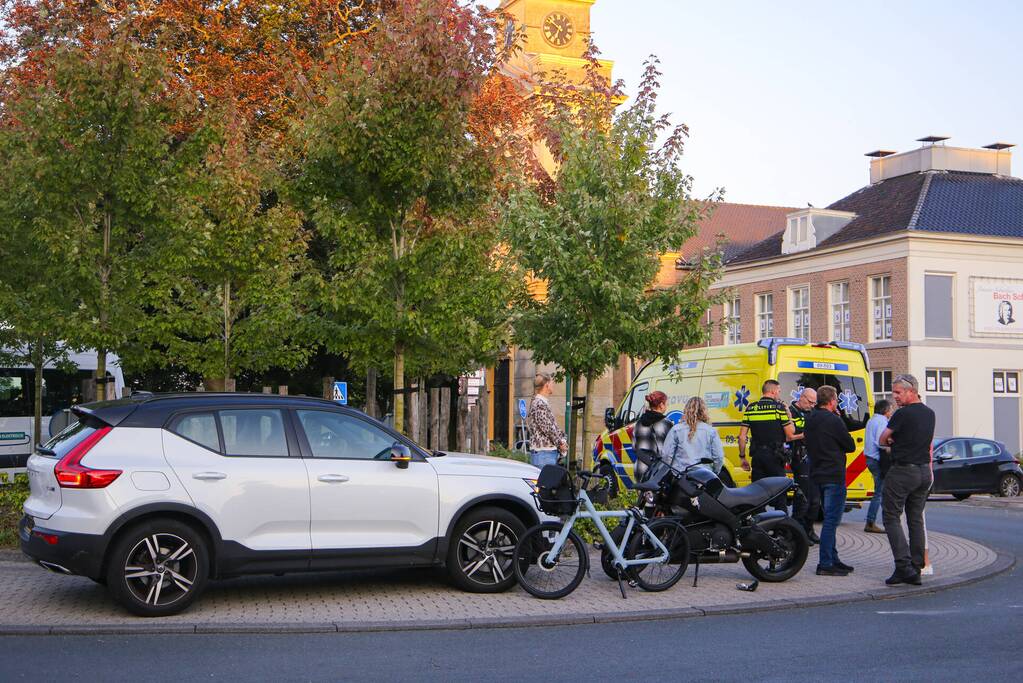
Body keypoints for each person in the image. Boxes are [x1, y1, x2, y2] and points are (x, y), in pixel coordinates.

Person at [879, 374, 936, 586]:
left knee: (891, 517)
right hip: (924, 472)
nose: (895, 397)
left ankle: (903, 567)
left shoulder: (902, 414)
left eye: (898, 393)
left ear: (911, 391)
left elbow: (883, 438)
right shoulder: (930, 414)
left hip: (903, 471)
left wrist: (892, 442)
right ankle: (917, 567)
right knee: (915, 519)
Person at [805, 385, 857, 576]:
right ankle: (825, 563)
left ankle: (834, 558)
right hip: (833, 474)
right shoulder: (834, 420)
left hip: (816, 472)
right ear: (833, 400)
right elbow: (850, 445)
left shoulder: (810, 418)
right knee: (831, 521)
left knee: (828, 518)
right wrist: (840, 417)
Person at [738, 380, 795, 511]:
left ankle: (759, 525)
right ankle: (781, 527)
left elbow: (742, 437)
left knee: (757, 493)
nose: (779, 394)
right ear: (773, 391)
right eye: (779, 391)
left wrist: (742, 457)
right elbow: (790, 433)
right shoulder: (779, 408)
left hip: (758, 456)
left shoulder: (751, 408)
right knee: (780, 492)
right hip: (775, 456)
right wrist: (789, 415)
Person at [788, 387, 821, 544]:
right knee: (802, 498)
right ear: (802, 397)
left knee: (815, 500)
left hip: (814, 457)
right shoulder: (790, 412)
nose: (812, 405)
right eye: (810, 402)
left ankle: (809, 529)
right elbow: (788, 435)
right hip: (799, 458)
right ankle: (798, 532)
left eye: (815, 403)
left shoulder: (813, 413)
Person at [661, 396, 724, 474]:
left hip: (680, 475)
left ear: (686, 410)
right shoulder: (711, 431)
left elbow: (666, 455)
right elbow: (719, 457)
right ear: (704, 411)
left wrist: (671, 471)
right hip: (704, 476)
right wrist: (714, 472)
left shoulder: (676, 429)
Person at [863, 399, 894, 534]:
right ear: (886, 410)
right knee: (880, 493)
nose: (891, 412)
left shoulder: (872, 420)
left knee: (879, 491)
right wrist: (890, 445)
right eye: (891, 409)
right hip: (878, 460)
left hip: (870, 459)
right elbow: (881, 442)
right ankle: (871, 522)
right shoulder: (882, 421)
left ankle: (873, 521)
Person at [526, 372, 567, 468]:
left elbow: (551, 427)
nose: (554, 385)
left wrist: (562, 438)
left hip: (545, 454)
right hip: (544, 454)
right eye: (552, 382)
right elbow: (548, 428)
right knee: (545, 483)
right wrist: (560, 444)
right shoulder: (539, 404)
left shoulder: (539, 402)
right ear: (546, 385)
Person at [632, 391, 673, 462]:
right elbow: (671, 449)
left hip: (640, 468)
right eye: (666, 404)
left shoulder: (638, 422)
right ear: (661, 405)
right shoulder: (666, 423)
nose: (667, 406)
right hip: (658, 470)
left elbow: (634, 446)